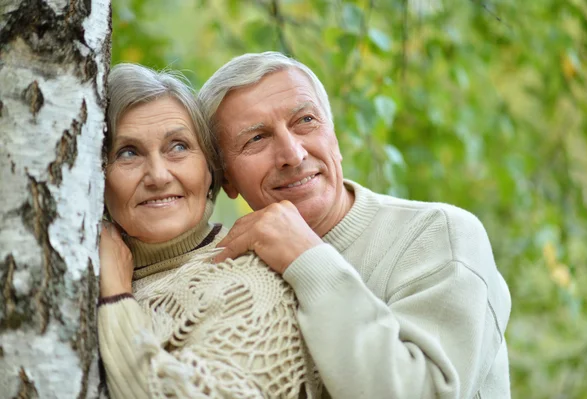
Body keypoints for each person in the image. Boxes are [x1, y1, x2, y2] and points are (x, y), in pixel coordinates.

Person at [198, 51, 512, 399]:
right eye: (256, 139)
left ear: (334, 137)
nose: (293, 154)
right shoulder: (234, 271)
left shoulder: (442, 234)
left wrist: (308, 259)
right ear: (226, 180)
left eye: (305, 121)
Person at [97, 63, 320, 399]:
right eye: (128, 153)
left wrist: (114, 299)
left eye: (178, 147)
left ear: (210, 170)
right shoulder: (76, 274)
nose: (158, 176)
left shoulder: (251, 284)